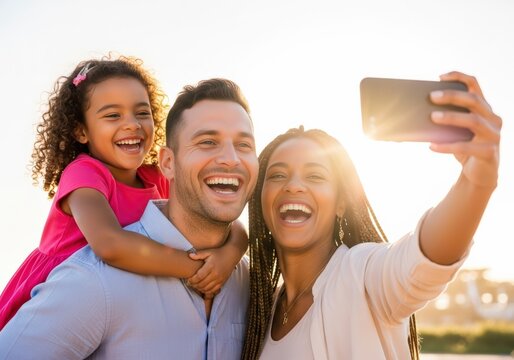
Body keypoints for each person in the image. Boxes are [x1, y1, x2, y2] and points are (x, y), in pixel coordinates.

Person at [242, 72, 501, 359]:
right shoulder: (260, 309)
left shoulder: (362, 275)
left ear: (341, 204)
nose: (293, 185)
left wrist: (476, 182)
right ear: (260, 198)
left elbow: (420, 262)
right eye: (277, 174)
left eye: (315, 175)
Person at [0, 78, 258, 359]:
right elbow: (110, 245)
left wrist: (229, 255)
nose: (132, 124)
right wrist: (198, 269)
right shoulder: (84, 174)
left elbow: (219, 214)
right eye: (113, 115)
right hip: (57, 279)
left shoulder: (154, 176)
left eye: (142, 113)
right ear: (81, 130)